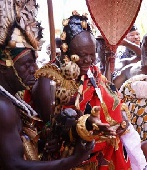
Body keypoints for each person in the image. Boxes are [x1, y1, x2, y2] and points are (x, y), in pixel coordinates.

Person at [33, 12, 146, 169]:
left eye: (92, 54)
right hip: (71, 160)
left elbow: (111, 96)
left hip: (105, 155)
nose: (89, 60)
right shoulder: (49, 79)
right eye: (82, 55)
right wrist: (85, 127)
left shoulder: (92, 71)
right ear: (67, 51)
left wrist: (121, 119)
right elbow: (50, 129)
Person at [0, 1, 94, 169]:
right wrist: (74, 159)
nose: (35, 69)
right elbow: (14, 165)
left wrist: (43, 143)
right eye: (26, 65)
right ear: (4, 66)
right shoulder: (3, 107)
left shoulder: (11, 99)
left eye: (34, 62)